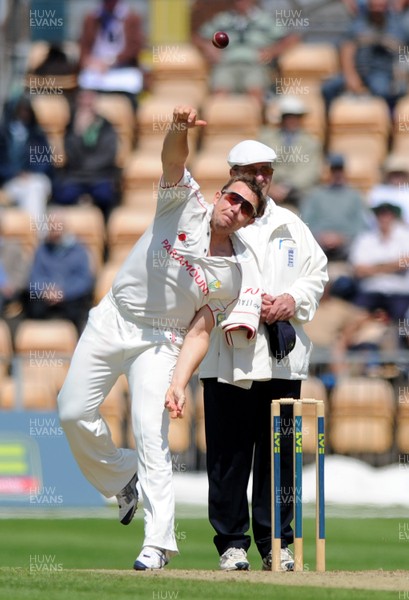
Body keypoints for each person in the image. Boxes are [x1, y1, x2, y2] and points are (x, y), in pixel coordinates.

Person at [57, 106, 267, 571]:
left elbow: (200, 329)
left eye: (246, 209)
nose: (235, 210)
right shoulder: (183, 202)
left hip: (164, 340)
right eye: (232, 199)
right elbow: (173, 158)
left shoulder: (233, 273)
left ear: (250, 221)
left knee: (153, 435)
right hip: (115, 316)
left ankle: (158, 544)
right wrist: (177, 127)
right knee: (72, 412)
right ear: (219, 195)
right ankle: (120, 476)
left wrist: (178, 381)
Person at [166, 139, 328, 572]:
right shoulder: (216, 220)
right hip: (225, 354)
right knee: (228, 455)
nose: (261, 177)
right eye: (251, 169)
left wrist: (293, 298)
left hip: (279, 358)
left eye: (267, 170)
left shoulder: (292, 224)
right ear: (233, 172)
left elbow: (318, 272)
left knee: (281, 457)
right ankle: (232, 543)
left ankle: (278, 543)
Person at [193, 0, 299, 106]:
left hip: (255, 65)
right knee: (220, 93)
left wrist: (271, 52)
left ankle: (257, 120)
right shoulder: (222, 19)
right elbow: (198, 37)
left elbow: (291, 38)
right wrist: (209, 47)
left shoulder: (264, 19)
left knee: (255, 92)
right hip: (226, 64)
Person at [321, 0, 406, 113]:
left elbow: (404, 52)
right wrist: (350, 76)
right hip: (357, 71)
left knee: (383, 91)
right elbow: (346, 49)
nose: (377, 10)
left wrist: (401, 75)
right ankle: (328, 122)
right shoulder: (358, 24)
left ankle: (389, 123)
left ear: (386, 7)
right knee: (328, 89)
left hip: (381, 73)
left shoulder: (397, 27)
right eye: (374, 7)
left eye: (381, 7)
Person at [24, 207, 95, 335]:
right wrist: (46, 290)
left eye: (58, 227)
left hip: (70, 299)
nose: (55, 231)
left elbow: (84, 281)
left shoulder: (80, 251)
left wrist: (63, 292)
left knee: (78, 307)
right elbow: (34, 278)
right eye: (51, 227)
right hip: (45, 299)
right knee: (32, 302)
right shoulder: (42, 250)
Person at [52, 88, 119, 222]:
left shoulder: (106, 126)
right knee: (62, 195)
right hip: (76, 177)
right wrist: (77, 133)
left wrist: (87, 166)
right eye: (82, 102)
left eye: (89, 102)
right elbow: (71, 155)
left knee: (105, 196)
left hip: (99, 176)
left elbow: (109, 154)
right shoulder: (71, 127)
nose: (85, 106)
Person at [348, 201, 409, 323]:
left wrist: (374, 268)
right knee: (355, 318)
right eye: (380, 215)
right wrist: (391, 266)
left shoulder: (405, 237)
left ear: (394, 217)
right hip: (371, 291)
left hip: (398, 292)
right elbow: (358, 270)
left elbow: (405, 263)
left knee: (401, 322)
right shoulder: (365, 238)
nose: (384, 218)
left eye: (387, 215)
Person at [258, 96, 323, 210]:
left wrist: (287, 188)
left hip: (299, 194)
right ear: (282, 118)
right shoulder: (266, 138)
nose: (292, 120)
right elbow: (259, 164)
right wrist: (271, 186)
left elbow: (311, 171)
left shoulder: (311, 143)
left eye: (296, 117)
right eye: (288, 116)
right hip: (270, 189)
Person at [301, 153, 369, 260]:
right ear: (328, 172)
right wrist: (321, 236)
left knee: (362, 245)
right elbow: (305, 220)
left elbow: (362, 224)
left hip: (347, 244)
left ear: (344, 171)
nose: (337, 174)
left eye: (340, 170)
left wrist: (343, 237)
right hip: (319, 242)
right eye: (334, 170)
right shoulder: (315, 195)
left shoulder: (355, 196)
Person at [78, 0, 145, 108]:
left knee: (132, 83)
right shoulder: (91, 18)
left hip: (122, 69)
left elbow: (135, 49)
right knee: (86, 82)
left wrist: (110, 62)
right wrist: (89, 61)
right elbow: (84, 47)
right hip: (96, 70)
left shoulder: (132, 18)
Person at [0, 93, 53, 227]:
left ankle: (35, 233)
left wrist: (30, 173)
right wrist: (15, 173)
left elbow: (45, 161)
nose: (24, 113)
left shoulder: (37, 134)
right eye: (21, 109)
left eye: (27, 110)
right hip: (10, 181)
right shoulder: (3, 135)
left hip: (35, 178)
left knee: (35, 187)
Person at [367, 154, 409, 224]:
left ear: (404, 175)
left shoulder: (407, 191)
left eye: (399, 174)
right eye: (394, 174)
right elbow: (370, 216)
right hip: (381, 230)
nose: (396, 177)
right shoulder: (377, 191)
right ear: (388, 175)